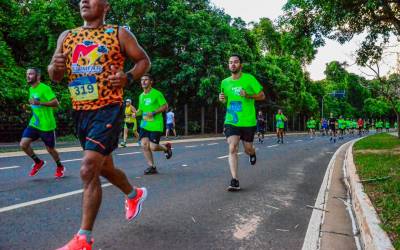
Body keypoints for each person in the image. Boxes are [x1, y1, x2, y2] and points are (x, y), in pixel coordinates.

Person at [48, 0, 150, 248]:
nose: (84, 1)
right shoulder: (68, 36)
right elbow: (55, 74)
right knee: (103, 168)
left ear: (106, 5)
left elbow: (143, 61)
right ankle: (134, 195)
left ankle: (84, 238)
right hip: (81, 112)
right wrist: (55, 68)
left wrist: (127, 77)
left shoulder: (118, 33)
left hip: (108, 109)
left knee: (87, 169)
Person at [219, 54, 265, 191]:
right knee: (232, 147)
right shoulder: (224, 82)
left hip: (248, 121)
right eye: (230, 62)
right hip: (231, 120)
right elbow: (225, 100)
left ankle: (252, 153)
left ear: (241, 65)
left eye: (236, 62)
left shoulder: (249, 79)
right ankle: (234, 180)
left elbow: (262, 96)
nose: (233, 64)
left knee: (247, 148)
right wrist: (222, 99)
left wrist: (248, 95)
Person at [20, 68, 65, 179]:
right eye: (27, 74)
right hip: (35, 123)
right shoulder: (31, 89)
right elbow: (35, 105)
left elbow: (56, 103)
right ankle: (38, 162)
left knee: (50, 149)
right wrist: (30, 107)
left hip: (46, 125)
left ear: (38, 76)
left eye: (30, 74)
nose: (28, 76)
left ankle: (60, 166)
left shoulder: (45, 88)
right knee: (23, 144)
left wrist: (40, 103)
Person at [137, 74, 172, 175]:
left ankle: (166, 148)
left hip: (156, 124)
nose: (143, 82)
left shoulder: (157, 94)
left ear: (151, 81)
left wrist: (153, 113)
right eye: (142, 80)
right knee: (144, 145)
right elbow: (141, 110)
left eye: (146, 80)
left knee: (153, 147)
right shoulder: (141, 96)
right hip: (144, 123)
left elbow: (165, 106)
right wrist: (135, 113)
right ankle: (152, 167)